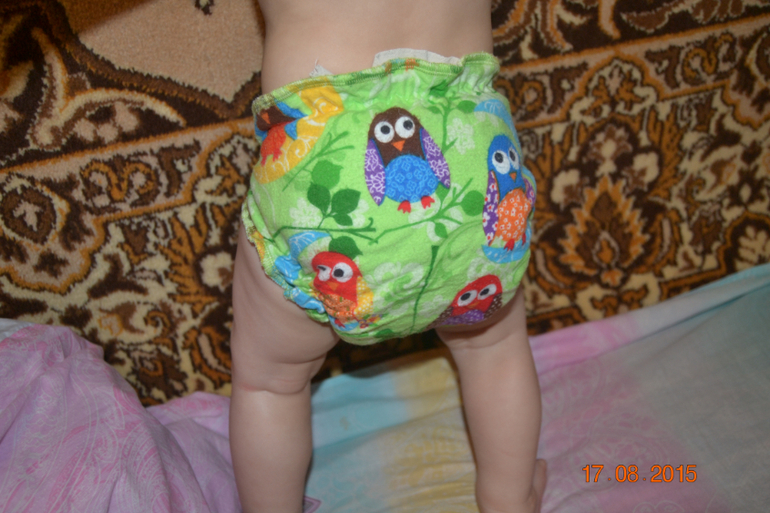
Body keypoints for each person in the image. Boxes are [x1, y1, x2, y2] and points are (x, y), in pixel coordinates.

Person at [229, 0, 547, 511]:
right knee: (494, 350)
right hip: (469, 149)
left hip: (327, 152)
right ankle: (509, 499)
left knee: (270, 386)